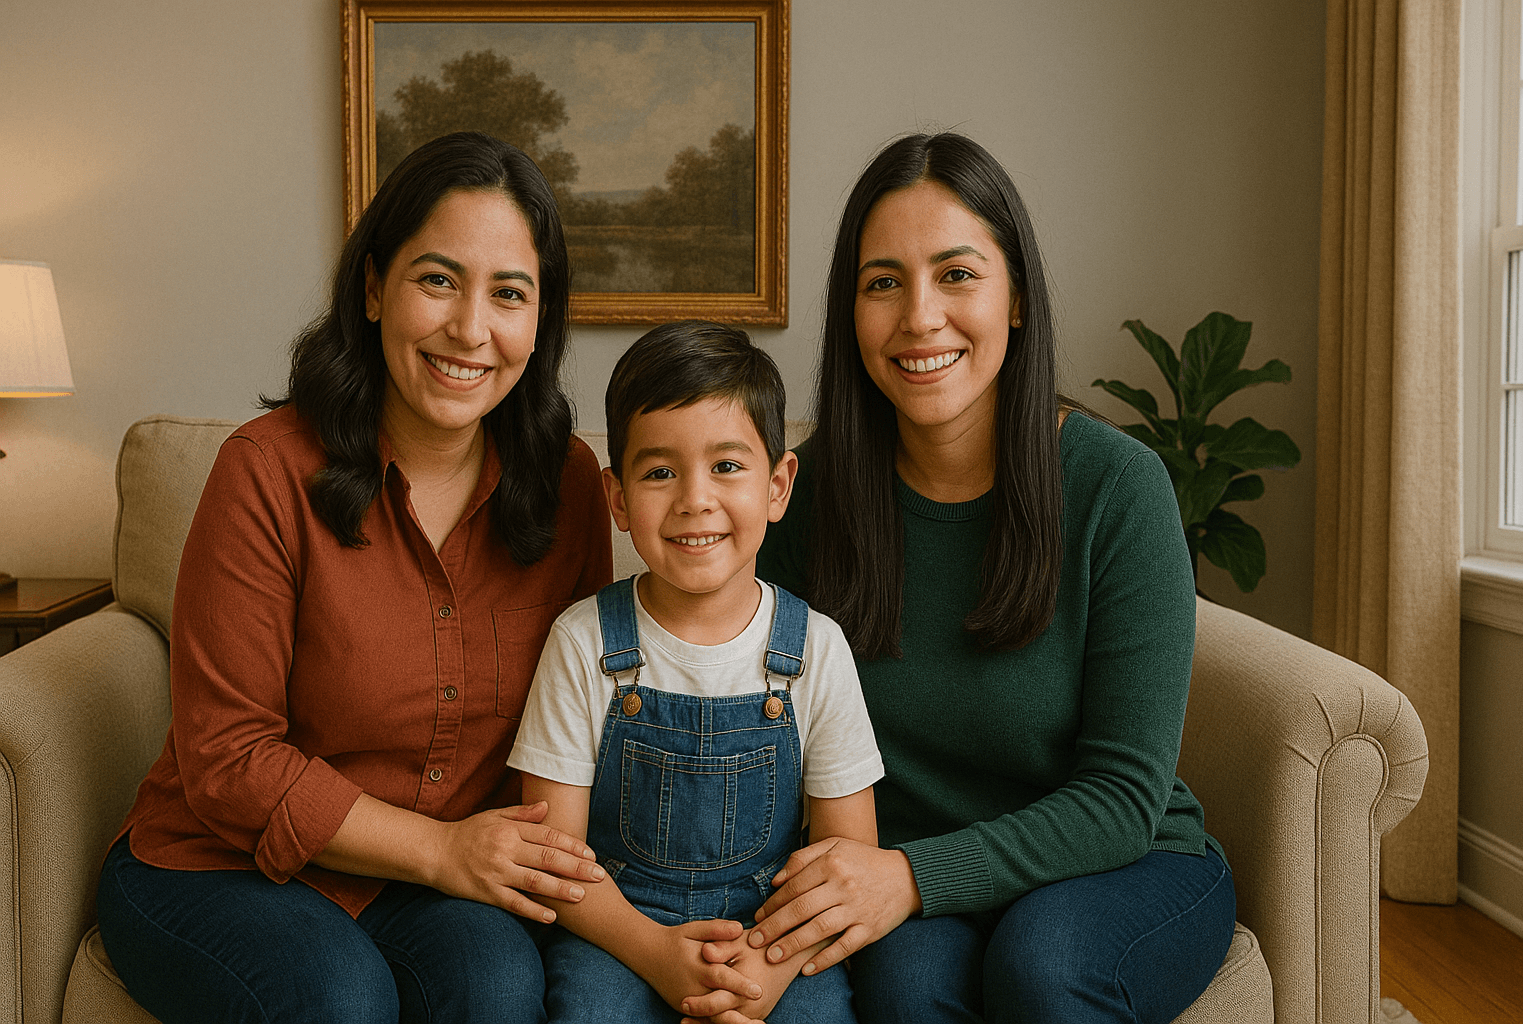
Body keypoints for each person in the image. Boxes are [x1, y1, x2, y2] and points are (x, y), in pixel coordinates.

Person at [94, 131, 624, 1024]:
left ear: (541, 321)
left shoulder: (568, 484)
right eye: (438, 279)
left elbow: (574, 722)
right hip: (215, 860)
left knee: (497, 987)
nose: (470, 329)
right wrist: (443, 852)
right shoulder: (264, 471)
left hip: (432, 877)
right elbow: (227, 760)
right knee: (337, 997)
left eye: (509, 294)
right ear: (375, 288)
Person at [740, 133, 1237, 1024]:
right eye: (883, 282)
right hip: (915, 871)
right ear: (851, 313)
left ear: (1015, 300)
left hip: (1121, 863)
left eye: (958, 274)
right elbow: (759, 735)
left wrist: (910, 875)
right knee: (900, 986)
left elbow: (1125, 797)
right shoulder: (804, 498)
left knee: (1043, 968)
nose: (920, 316)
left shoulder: (1118, 488)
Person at [507, 320, 884, 1024]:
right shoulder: (582, 641)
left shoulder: (817, 649)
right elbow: (555, 860)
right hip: (616, 930)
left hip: (775, 938)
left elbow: (845, 858)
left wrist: (763, 977)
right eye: (659, 472)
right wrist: (656, 953)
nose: (693, 499)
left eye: (728, 466)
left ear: (778, 485)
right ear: (617, 499)